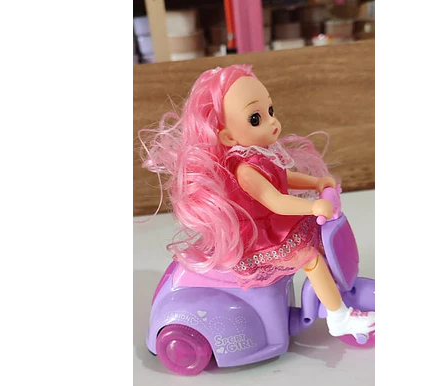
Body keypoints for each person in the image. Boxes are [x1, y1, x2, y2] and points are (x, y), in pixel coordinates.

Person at [139, 64, 375, 339]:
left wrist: (315, 183)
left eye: (270, 111)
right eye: (256, 118)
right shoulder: (245, 169)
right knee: (310, 258)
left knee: (318, 245)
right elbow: (275, 200)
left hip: (274, 225)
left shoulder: (261, 154)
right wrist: (312, 206)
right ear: (228, 136)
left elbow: (283, 177)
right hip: (259, 237)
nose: (272, 122)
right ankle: (338, 318)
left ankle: (334, 300)